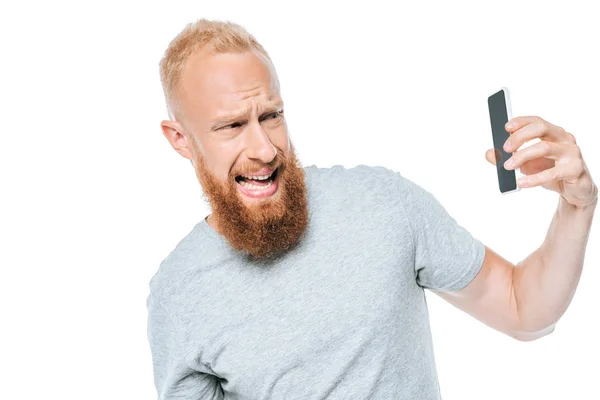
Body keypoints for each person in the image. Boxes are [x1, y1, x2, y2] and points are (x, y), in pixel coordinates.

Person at [147, 18, 598, 400]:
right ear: (180, 139)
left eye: (271, 116)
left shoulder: (384, 202)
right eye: (231, 125)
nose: (263, 149)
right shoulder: (178, 294)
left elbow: (524, 307)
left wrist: (576, 208)